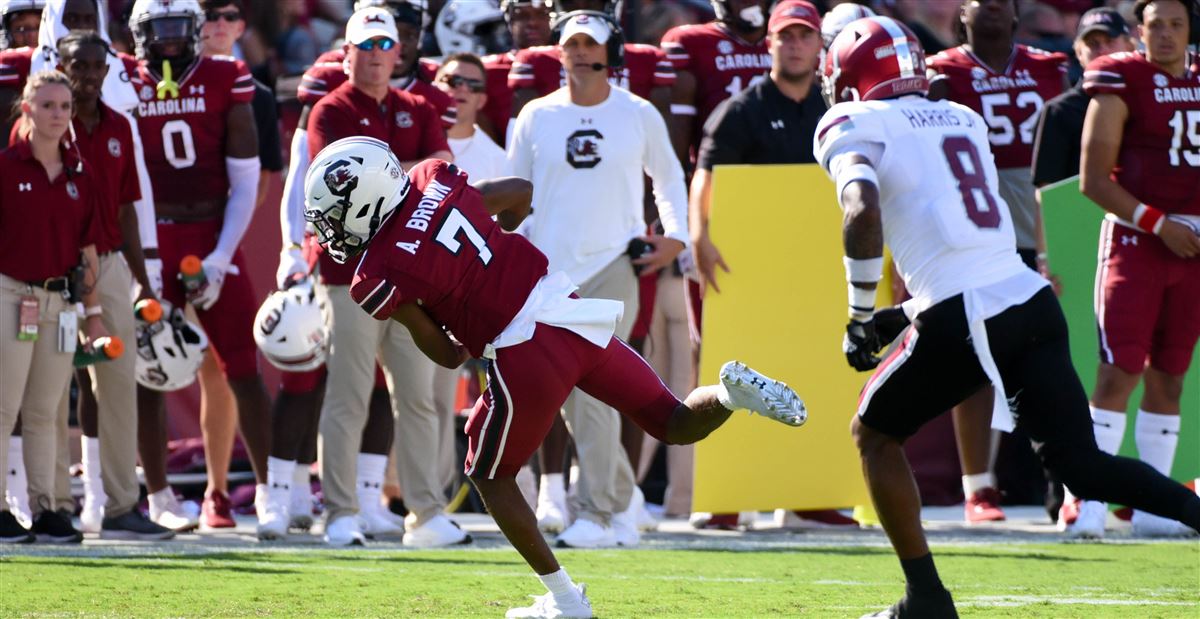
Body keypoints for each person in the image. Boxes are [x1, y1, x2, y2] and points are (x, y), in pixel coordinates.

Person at [304, 134, 807, 619]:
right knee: (674, 421)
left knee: (488, 477)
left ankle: (565, 599)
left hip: (523, 349)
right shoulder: (433, 177)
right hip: (569, 314)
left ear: (362, 200)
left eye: (332, 216)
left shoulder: (377, 274)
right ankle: (727, 394)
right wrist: (500, 236)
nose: (330, 230)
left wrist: (455, 318)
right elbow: (519, 192)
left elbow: (447, 355)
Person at [816, 16, 1200, 618]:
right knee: (1083, 466)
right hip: (1026, 297)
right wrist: (907, 311)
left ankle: (926, 601)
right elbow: (965, 236)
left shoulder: (852, 119)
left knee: (875, 436)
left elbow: (862, 211)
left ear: (849, 77)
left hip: (969, 312)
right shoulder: (961, 116)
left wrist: (860, 315)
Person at [508, 11, 689, 549]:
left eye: (591, 44)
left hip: (614, 263)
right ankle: (624, 499)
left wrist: (676, 238)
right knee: (570, 392)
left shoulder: (637, 113)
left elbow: (669, 175)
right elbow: (516, 194)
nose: (581, 54)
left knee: (589, 388)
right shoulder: (536, 115)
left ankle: (596, 512)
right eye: (572, 45)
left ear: (612, 54)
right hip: (549, 272)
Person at [685, 0, 858, 531]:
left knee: (819, 368)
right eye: (786, 35)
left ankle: (810, 496)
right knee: (738, 370)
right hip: (748, 271)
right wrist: (698, 235)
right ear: (769, 43)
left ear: (819, 45)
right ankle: (728, 495)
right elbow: (706, 175)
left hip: (817, 271)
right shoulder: (742, 109)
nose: (795, 44)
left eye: (805, 35)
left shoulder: (834, 111)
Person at [305, 6, 462, 548]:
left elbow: (440, 177)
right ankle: (341, 512)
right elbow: (347, 189)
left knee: (419, 398)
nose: (374, 56)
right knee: (349, 396)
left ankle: (426, 514)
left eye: (382, 46)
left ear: (400, 52)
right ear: (345, 52)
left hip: (411, 276)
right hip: (348, 275)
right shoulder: (329, 110)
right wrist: (407, 176)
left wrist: (402, 179)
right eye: (364, 46)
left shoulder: (417, 106)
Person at [125, 0, 270, 531]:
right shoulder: (123, 79)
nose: (165, 41)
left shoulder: (225, 74)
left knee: (243, 365)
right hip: (151, 232)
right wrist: (145, 262)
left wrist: (221, 256)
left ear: (193, 29)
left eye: (175, 29)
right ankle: (159, 493)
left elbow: (246, 177)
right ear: (138, 33)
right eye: (155, 30)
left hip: (211, 229)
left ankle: (268, 491)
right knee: (150, 365)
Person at [926, 0, 1069, 524]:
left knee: (1056, 356)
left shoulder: (1049, 65)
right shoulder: (942, 71)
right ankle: (978, 486)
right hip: (978, 230)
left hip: (1042, 223)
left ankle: (1070, 480)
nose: (988, 5)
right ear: (961, 13)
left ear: (1016, 14)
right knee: (974, 361)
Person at [1077, 0, 1200, 539]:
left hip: (1193, 247)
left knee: (1170, 377)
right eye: (1156, 26)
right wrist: (1159, 224)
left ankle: (1154, 508)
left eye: (1176, 24)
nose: (1166, 35)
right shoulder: (1121, 77)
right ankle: (1089, 505)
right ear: (1138, 31)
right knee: (1118, 371)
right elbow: (1094, 179)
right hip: (1138, 239)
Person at [53, 32, 172, 540]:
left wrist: (142, 280)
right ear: (60, 65)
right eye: (76, 64)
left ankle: (122, 505)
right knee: (53, 389)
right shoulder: (49, 124)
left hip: (111, 262)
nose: (86, 74)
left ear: (108, 71)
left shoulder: (121, 127)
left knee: (120, 384)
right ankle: (50, 504)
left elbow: (127, 210)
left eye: (95, 66)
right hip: (55, 268)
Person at [1028, 7, 1134, 527]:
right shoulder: (1063, 111)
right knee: (1069, 377)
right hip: (1077, 255)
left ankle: (1140, 490)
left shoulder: (1150, 98)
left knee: (1148, 367)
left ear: (1126, 41)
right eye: (1088, 42)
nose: (1097, 49)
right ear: (1076, 51)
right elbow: (1045, 195)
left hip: (1144, 249)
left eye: (1105, 40)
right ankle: (1068, 495)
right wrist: (1046, 259)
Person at [1, 70, 108, 544]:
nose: (58, 115)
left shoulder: (79, 175)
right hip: (10, 294)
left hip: (60, 302)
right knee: (3, 408)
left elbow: (87, 251)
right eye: (47, 105)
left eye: (64, 107)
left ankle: (47, 509)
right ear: (26, 108)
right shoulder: (5, 167)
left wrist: (95, 314)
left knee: (46, 411)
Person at [189, 0, 283, 531]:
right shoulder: (153, 83)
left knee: (227, 368)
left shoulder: (256, 93)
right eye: (208, 15)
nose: (217, 25)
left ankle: (223, 490)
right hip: (163, 239)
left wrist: (222, 249)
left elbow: (261, 181)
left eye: (227, 15)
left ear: (242, 26)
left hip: (220, 243)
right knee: (158, 364)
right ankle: (140, 490)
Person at [478, 0, 552, 144]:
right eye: (523, 15)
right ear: (508, 18)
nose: (533, 22)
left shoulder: (570, 63)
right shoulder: (487, 70)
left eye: (541, 14)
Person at [437, 52, 509, 181]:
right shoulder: (406, 137)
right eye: (454, 80)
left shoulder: (498, 160)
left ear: (482, 100)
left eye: (474, 85)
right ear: (433, 87)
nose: (463, 88)